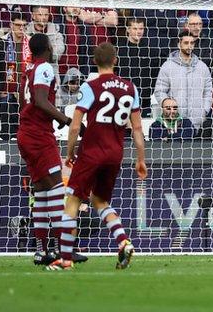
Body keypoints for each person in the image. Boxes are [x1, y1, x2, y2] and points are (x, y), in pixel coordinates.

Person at [56, 42, 147, 270]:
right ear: (115, 60)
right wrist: (141, 159)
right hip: (115, 154)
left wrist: (69, 151)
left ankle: (65, 259)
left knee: (73, 200)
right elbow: (136, 128)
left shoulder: (90, 86)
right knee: (100, 201)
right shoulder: (130, 88)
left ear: (95, 62)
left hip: (92, 151)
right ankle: (123, 241)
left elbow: (76, 125)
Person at [15, 33, 73, 266]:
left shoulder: (28, 72)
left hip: (26, 134)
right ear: (48, 47)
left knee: (41, 193)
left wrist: (52, 119)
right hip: (39, 136)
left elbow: (24, 102)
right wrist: (65, 119)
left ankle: (41, 251)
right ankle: (60, 249)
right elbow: (40, 100)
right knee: (58, 191)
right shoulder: (45, 67)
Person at [154, 30, 213, 128]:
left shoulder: (202, 67)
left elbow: (208, 91)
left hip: (198, 122)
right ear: (179, 44)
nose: (189, 46)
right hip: (175, 123)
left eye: (192, 43)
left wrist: (204, 110)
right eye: (186, 43)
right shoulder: (167, 66)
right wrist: (169, 107)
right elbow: (159, 91)